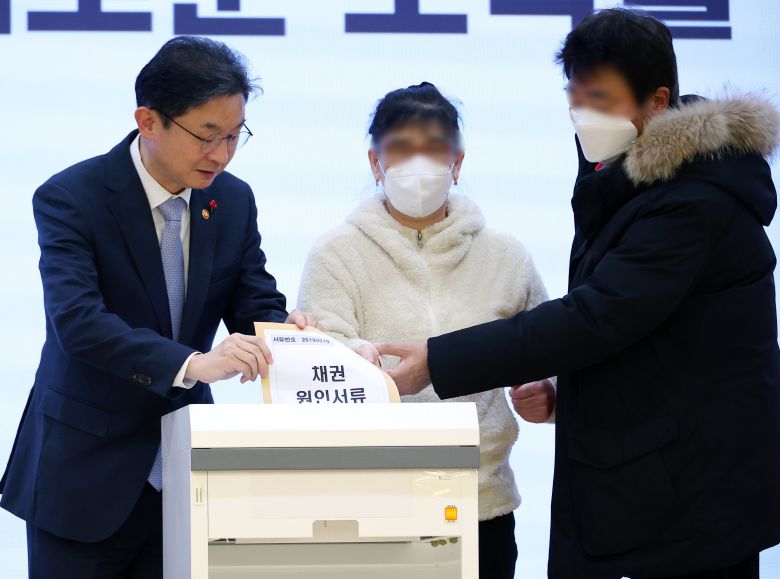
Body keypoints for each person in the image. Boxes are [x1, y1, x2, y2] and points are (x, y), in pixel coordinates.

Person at [378, 9, 780, 579]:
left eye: (601, 97)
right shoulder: (623, 172)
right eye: (574, 94)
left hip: (688, 498)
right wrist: (572, 392)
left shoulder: (694, 199)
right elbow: (648, 335)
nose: (582, 112)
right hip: (644, 476)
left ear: (658, 100)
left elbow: (597, 316)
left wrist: (438, 361)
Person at [0, 36, 315, 578]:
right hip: (83, 478)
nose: (221, 154)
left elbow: (253, 301)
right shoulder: (72, 197)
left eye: (235, 136)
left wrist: (289, 333)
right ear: (149, 121)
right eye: (207, 136)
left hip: (185, 479)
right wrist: (193, 364)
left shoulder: (232, 199)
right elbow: (79, 322)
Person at [297, 82, 554, 579]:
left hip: (483, 505)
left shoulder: (506, 255)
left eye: (435, 149)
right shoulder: (335, 253)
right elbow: (321, 361)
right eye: (401, 149)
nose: (420, 163)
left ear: (458, 161)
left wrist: (550, 392)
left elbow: (552, 347)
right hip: (371, 511)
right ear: (375, 161)